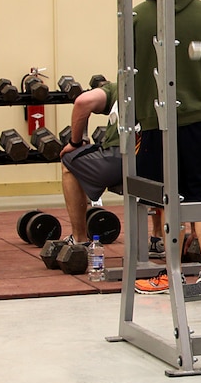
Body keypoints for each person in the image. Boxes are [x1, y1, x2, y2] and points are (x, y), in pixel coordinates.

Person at [132, 0, 201, 294]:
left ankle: (169, 270)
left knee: (162, 194)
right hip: (199, 119)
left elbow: (128, 71)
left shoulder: (136, 16)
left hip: (153, 122)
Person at [58, 82, 165, 256]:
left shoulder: (121, 86)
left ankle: (79, 239)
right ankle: (158, 238)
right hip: (161, 162)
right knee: (162, 168)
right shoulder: (170, 86)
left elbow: (82, 102)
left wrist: (75, 142)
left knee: (68, 162)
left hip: (119, 161)